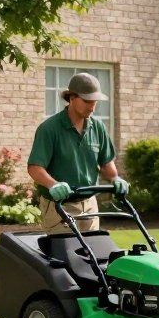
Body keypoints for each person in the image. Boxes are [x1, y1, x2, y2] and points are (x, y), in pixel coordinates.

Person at [26, 72, 129, 234]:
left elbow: (106, 164)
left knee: (93, 254)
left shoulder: (98, 127)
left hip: (89, 205)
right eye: (87, 101)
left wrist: (115, 178)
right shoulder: (50, 129)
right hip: (59, 206)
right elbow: (35, 168)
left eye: (94, 102)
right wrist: (53, 184)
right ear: (72, 98)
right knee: (65, 256)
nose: (92, 107)